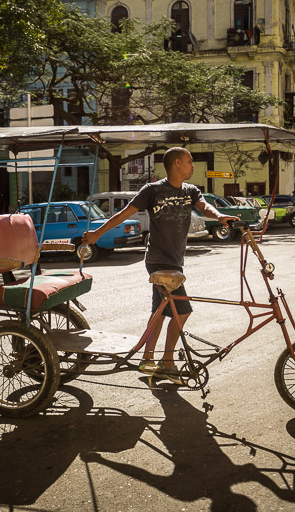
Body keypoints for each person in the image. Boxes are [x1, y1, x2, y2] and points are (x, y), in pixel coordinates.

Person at [82, 147, 239, 383]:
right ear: (176, 163)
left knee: (159, 312)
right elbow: (125, 213)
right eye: (189, 161)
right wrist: (97, 234)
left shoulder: (191, 191)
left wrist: (220, 217)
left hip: (176, 261)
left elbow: (204, 207)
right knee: (182, 311)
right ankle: (166, 361)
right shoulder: (152, 190)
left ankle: (148, 358)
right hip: (157, 260)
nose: (193, 165)